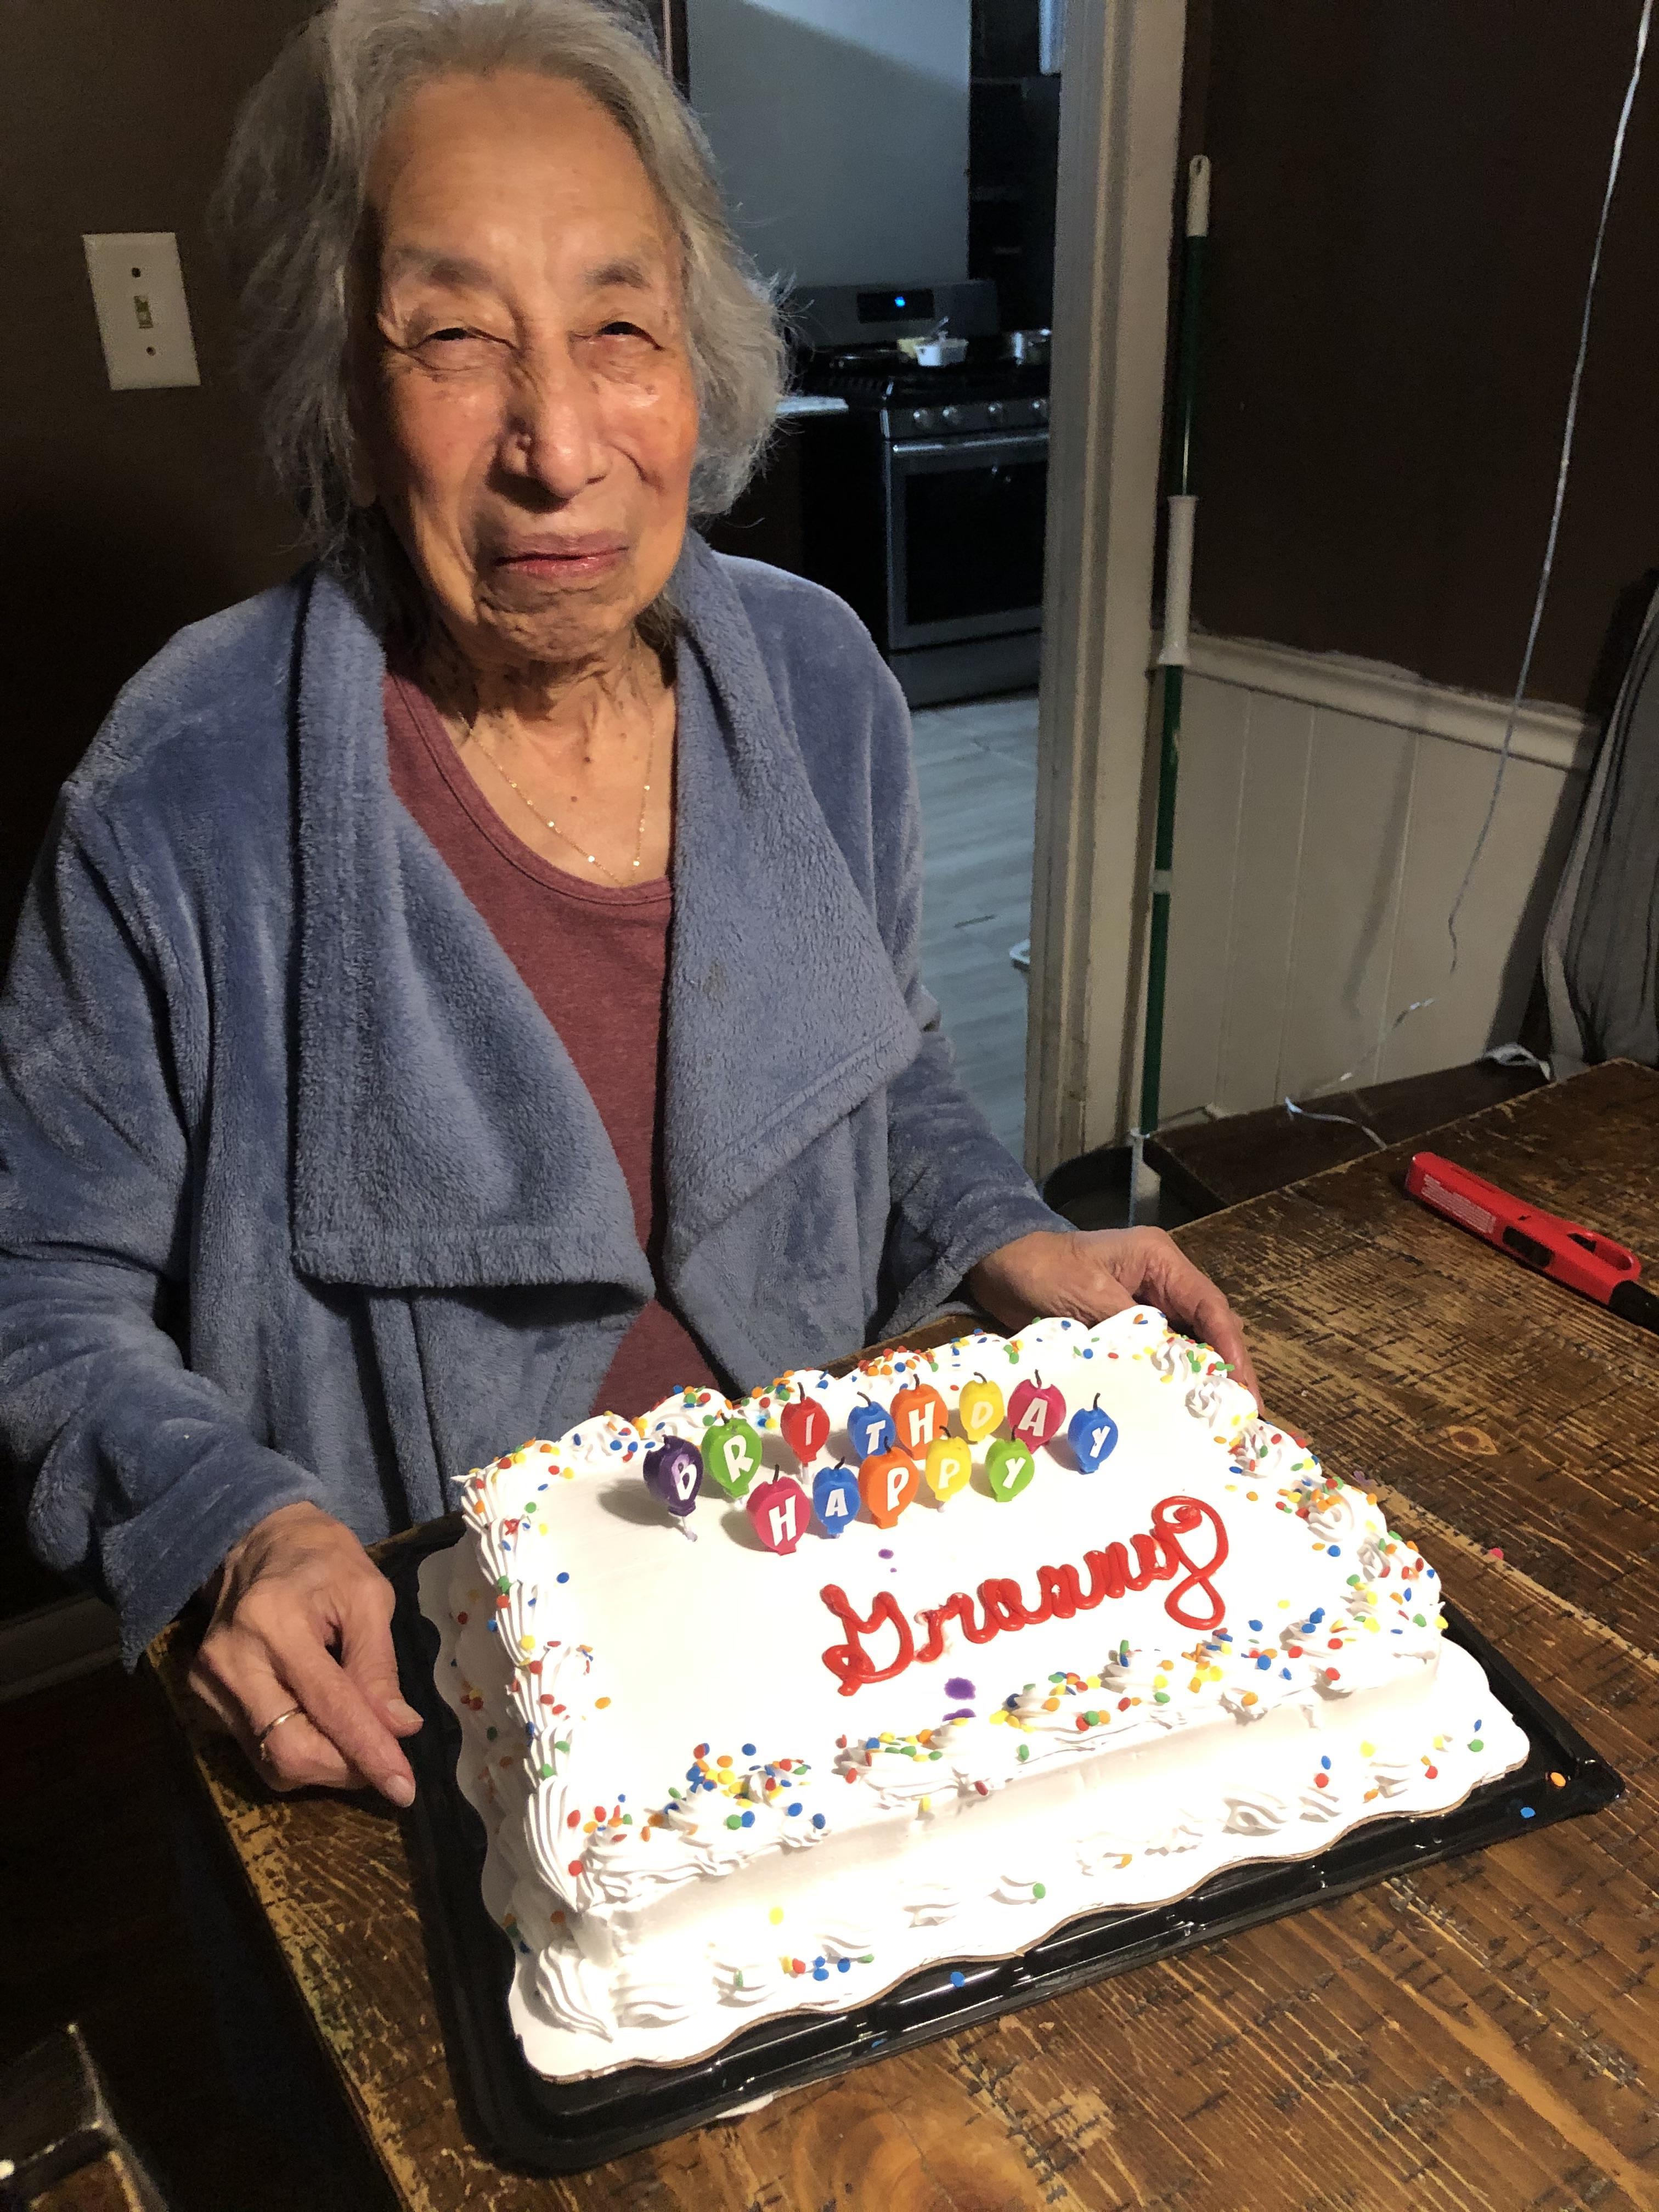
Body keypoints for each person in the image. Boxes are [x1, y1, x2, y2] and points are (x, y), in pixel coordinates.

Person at [0, 0, 1256, 1810]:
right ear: (344, 397)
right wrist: (223, 1523)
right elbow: (40, 1278)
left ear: (700, 357)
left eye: (618, 327)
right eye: (452, 339)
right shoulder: (181, 788)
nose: (561, 442)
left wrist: (1003, 1232)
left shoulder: (825, 687)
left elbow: (882, 1060)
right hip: (434, 1727)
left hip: (827, 1633)